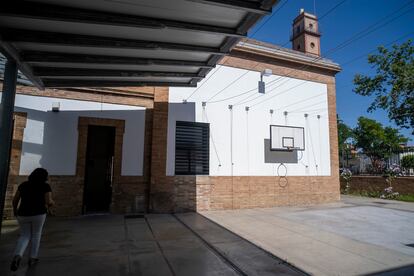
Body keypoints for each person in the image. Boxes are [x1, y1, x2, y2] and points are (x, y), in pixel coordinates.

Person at [10, 168, 54, 271]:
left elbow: (15, 199)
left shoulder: (24, 185)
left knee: (24, 235)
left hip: (23, 213)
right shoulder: (45, 186)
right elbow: (48, 202)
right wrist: (53, 203)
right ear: (44, 176)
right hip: (38, 214)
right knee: (36, 235)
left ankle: (17, 255)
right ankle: (32, 258)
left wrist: (15, 210)